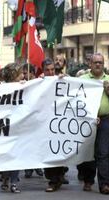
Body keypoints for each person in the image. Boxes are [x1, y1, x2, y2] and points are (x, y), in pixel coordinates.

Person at [78, 53, 109, 195]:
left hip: (105, 119)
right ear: (90, 64)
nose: (97, 65)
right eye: (95, 62)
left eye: (100, 63)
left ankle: (104, 184)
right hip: (87, 120)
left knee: (103, 152)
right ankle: (88, 180)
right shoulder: (82, 79)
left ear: (104, 64)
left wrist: (108, 92)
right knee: (88, 151)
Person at [41, 58, 69, 192]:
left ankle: (56, 179)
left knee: (58, 150)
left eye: (52, 69)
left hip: (59, 123)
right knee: (48, 151)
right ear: (43, 71)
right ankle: (54, 178)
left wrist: (67, 79)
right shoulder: (38, 83)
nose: (50, 72)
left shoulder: (61, 79)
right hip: (45, 123)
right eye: (47, 70)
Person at [0, 63, 23, 194]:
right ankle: (6, 177)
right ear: (14, 75)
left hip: (18, 126)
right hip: (5, 127)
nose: (23, 75)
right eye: (21, 73)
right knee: (7, 154)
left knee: (16, 154)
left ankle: (13, 182)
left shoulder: (25, 86)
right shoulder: (1, 88)